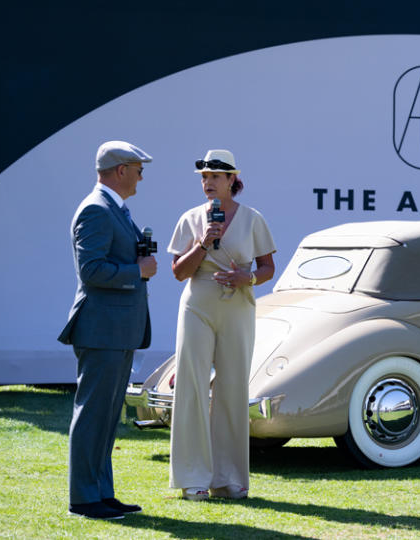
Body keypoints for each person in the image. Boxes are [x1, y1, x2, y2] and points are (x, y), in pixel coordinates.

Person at [167, 149, 276, 501]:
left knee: (232, 389)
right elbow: (178, 272)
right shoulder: (190, 219)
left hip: (237, 309)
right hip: (197, 307)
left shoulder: (253, 219)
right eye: (204, 177)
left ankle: (229, 478)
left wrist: (249, 278)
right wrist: (203, 241)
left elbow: (267, 268)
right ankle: (193, 478)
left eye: (216, 176)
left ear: (233, 180)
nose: (208, 182)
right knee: (192, 387)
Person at [58, 141, 157, 520]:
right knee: (93, 415)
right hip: (102, 329)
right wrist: (139, 271)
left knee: (105, 415)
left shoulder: (112, 209)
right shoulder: (97, 210)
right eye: (138, 168)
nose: (141, 175)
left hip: (115, 330)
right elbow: (92, 271)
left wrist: (135, 262)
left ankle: (100, 492)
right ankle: (84, 498)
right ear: (120, 170)